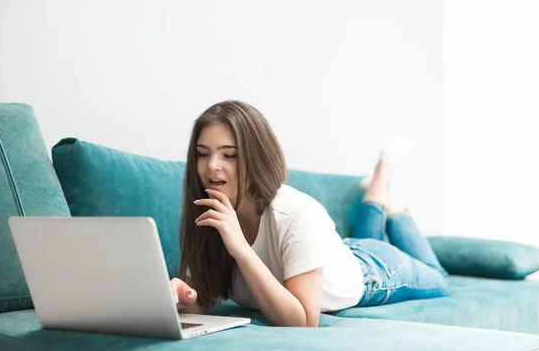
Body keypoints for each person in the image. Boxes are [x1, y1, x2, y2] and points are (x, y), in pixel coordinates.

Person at [170, 100, 448, 327]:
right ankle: (378, 190)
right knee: (364, 238)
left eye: (229, 155)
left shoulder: (296, 212)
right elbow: (202, 298)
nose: (211, 166)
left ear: (256, 157)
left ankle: (383, 184)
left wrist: (240, 248)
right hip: (327, 254)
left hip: (372, 271)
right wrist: (180, 296)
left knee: (439, 277)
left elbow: (302, 322)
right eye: (202, 154)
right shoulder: (208, 212)